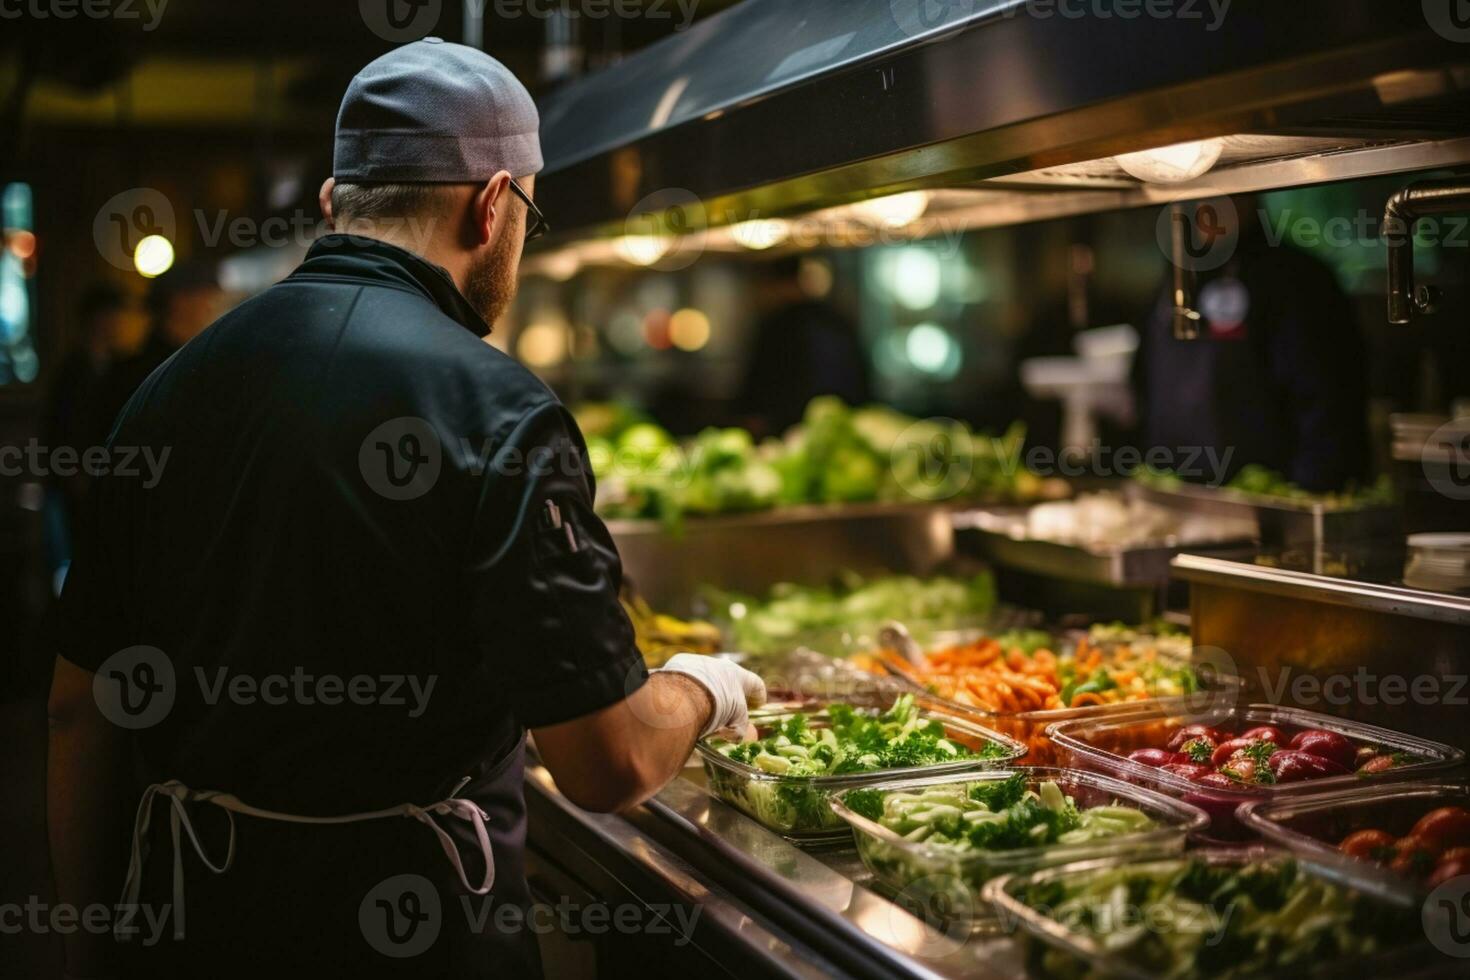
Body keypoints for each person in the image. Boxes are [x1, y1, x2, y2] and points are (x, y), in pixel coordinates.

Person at [47, 39, 765, 980]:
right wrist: (703, 687)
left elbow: (75, 711)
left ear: (332, 206)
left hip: (194, 920)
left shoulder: (164, 394)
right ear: (492, 203)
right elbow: (607, 762)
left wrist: (91, 944)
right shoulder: (500, 410)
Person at [1134, 196, 1370, 492]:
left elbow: (1330, 412)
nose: (1204, 206)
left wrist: (1301, 508)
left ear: (1251, 191)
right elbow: (1143, 386)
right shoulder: (1174, 279)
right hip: (1175, 505)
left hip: (1268, 507)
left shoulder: (1297, 278)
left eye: (1221, 190)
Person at [735, 256, 870, 437]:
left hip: (793, 438)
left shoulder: (777, 327)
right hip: (846, 432)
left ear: (767, 281)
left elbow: (757, 402)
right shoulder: (835, 319)